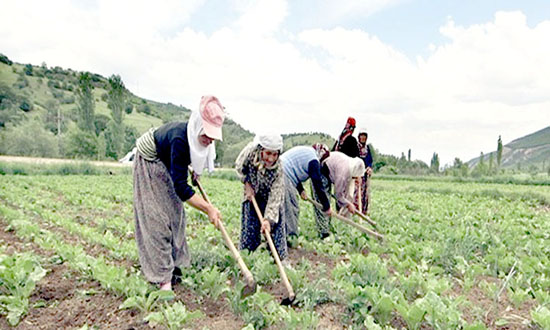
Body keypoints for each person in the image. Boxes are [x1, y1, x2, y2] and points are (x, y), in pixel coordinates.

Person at [133, 95, 225, 291]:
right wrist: (208, 208)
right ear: (198, 127)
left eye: (212, 136)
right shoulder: (180, 139)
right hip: (150, 160)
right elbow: (181, 188)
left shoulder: (201, 140)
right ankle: (161, 278)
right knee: (157, 218)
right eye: (206, 135)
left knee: (176, 215)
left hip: (167, 159)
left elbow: (191, 161)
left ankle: (177, 267)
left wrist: (195, 173)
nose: (209, 140)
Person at [235, 134, 288, 263]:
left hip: (269, 196)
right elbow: (239, 167)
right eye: (268, 153)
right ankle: (247, 258)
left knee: (276, 227)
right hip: (252, 192)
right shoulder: (250, 153)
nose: (271, 158)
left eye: (275, 154)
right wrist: (246, 183)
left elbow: (275, 197)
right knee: (250, 226)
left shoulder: (279, 170)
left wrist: (268, 220)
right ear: (261, 150)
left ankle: (280, 260)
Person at [280, 144, 332, 239]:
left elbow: (295, 167)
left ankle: (281, 235)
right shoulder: (314, 160)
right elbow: (317, 184)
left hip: (282, 170)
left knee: (282, 207)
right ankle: (291, 238)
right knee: (292, 207)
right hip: (283, 174)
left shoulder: (308, 153)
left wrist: (301, 190)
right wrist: (327, 206)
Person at [313, 151, 365, 238]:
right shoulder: (343, 173)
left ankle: (327, 228)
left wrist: (347, 203)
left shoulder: (349, 165)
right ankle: (323, 233)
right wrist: (348, 204)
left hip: (328, 171)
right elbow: (338, 195)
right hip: (321, 171)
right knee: (323, 203)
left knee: (326, 203)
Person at [355, 129, 373, 214]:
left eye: (364, 136)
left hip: (365, 174)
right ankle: (356, 211)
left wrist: (369, 167)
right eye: (361, 136)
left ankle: (364, 211)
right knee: (357, 193)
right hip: (357, 173)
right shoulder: (356, 147)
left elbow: (370, 160)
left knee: (365, 194)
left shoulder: (367, 148)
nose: (363, 138)